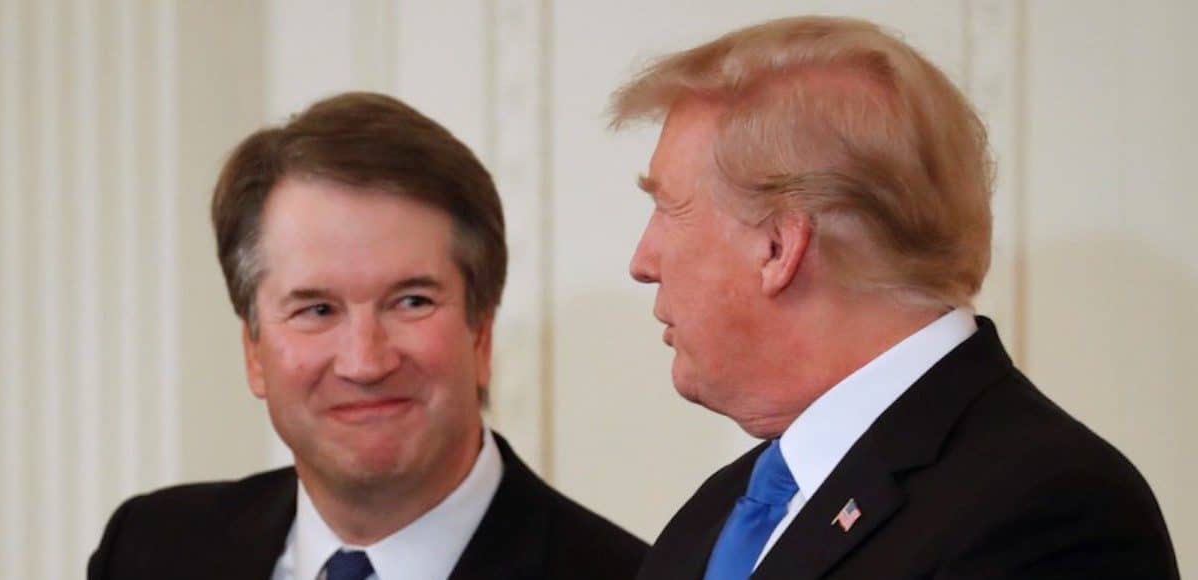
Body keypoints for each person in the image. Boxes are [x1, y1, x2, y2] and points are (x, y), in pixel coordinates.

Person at [610, 16, 1178, 580]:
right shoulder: (721, 513)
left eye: (669, 209)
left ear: (778, 246)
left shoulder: (1056, 512)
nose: (643, 262)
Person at [88, 92, 646, 580]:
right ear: (253, 352)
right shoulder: (151, 550)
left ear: (481, 336)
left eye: (411, 302)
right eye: (316, 309)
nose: (365, 362)